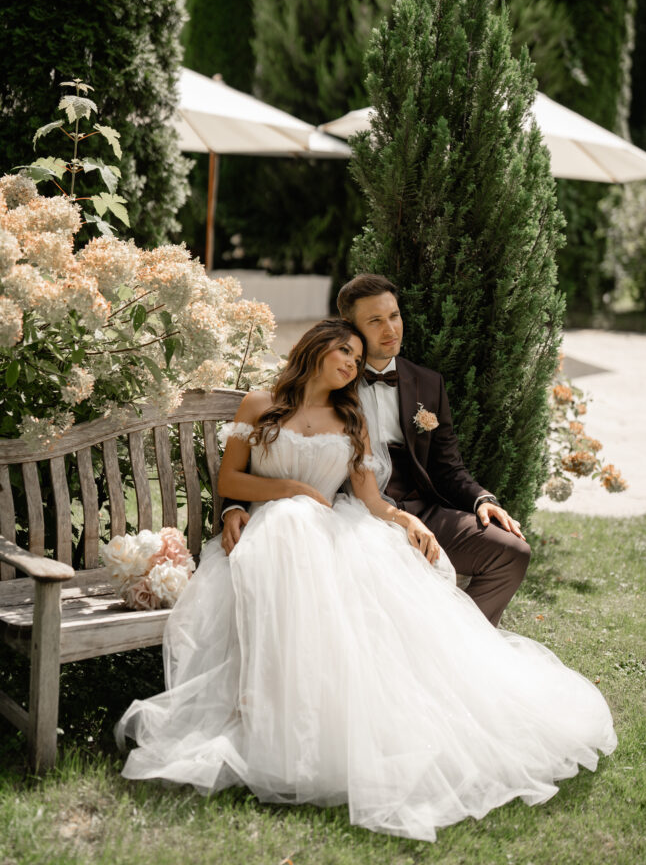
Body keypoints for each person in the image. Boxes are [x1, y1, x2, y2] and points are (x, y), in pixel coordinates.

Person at [117, 319, 616, 842]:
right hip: (269, 535)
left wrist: (407, 521)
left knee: (321, 544)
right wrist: (281, 493)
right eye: (345, 352)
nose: (352, 365)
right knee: (292, 520)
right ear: (317, 348)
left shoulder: (351, 419)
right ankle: (263, 711)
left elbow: (371, 499)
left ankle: (323, 720)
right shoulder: (259, 405)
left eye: (357, 359)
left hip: (328, 530)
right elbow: (230, 480)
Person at [223, 273, 530, 626]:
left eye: (394, 316)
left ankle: (464, 638)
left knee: (512, 552)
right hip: (349, 514)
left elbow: (448, 466)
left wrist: (481, 499)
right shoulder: (326, 379)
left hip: (414, 508)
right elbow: (274, 449)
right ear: (348, 326)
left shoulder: (427, 383)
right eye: (375, 321)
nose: (390, 329)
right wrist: (234, 505)